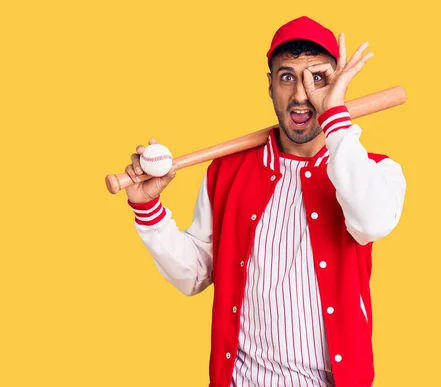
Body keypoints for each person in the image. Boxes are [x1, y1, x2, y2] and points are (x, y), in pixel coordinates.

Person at [124, 16, 407, 387]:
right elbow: (194, 274)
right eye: (287, 77)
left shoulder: (376, 171)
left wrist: (335, 115)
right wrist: (148, 210)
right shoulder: (226, 173)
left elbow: (371, 221)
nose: (302, 94)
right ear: (270, 86)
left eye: (318, 78)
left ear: (338, 85)